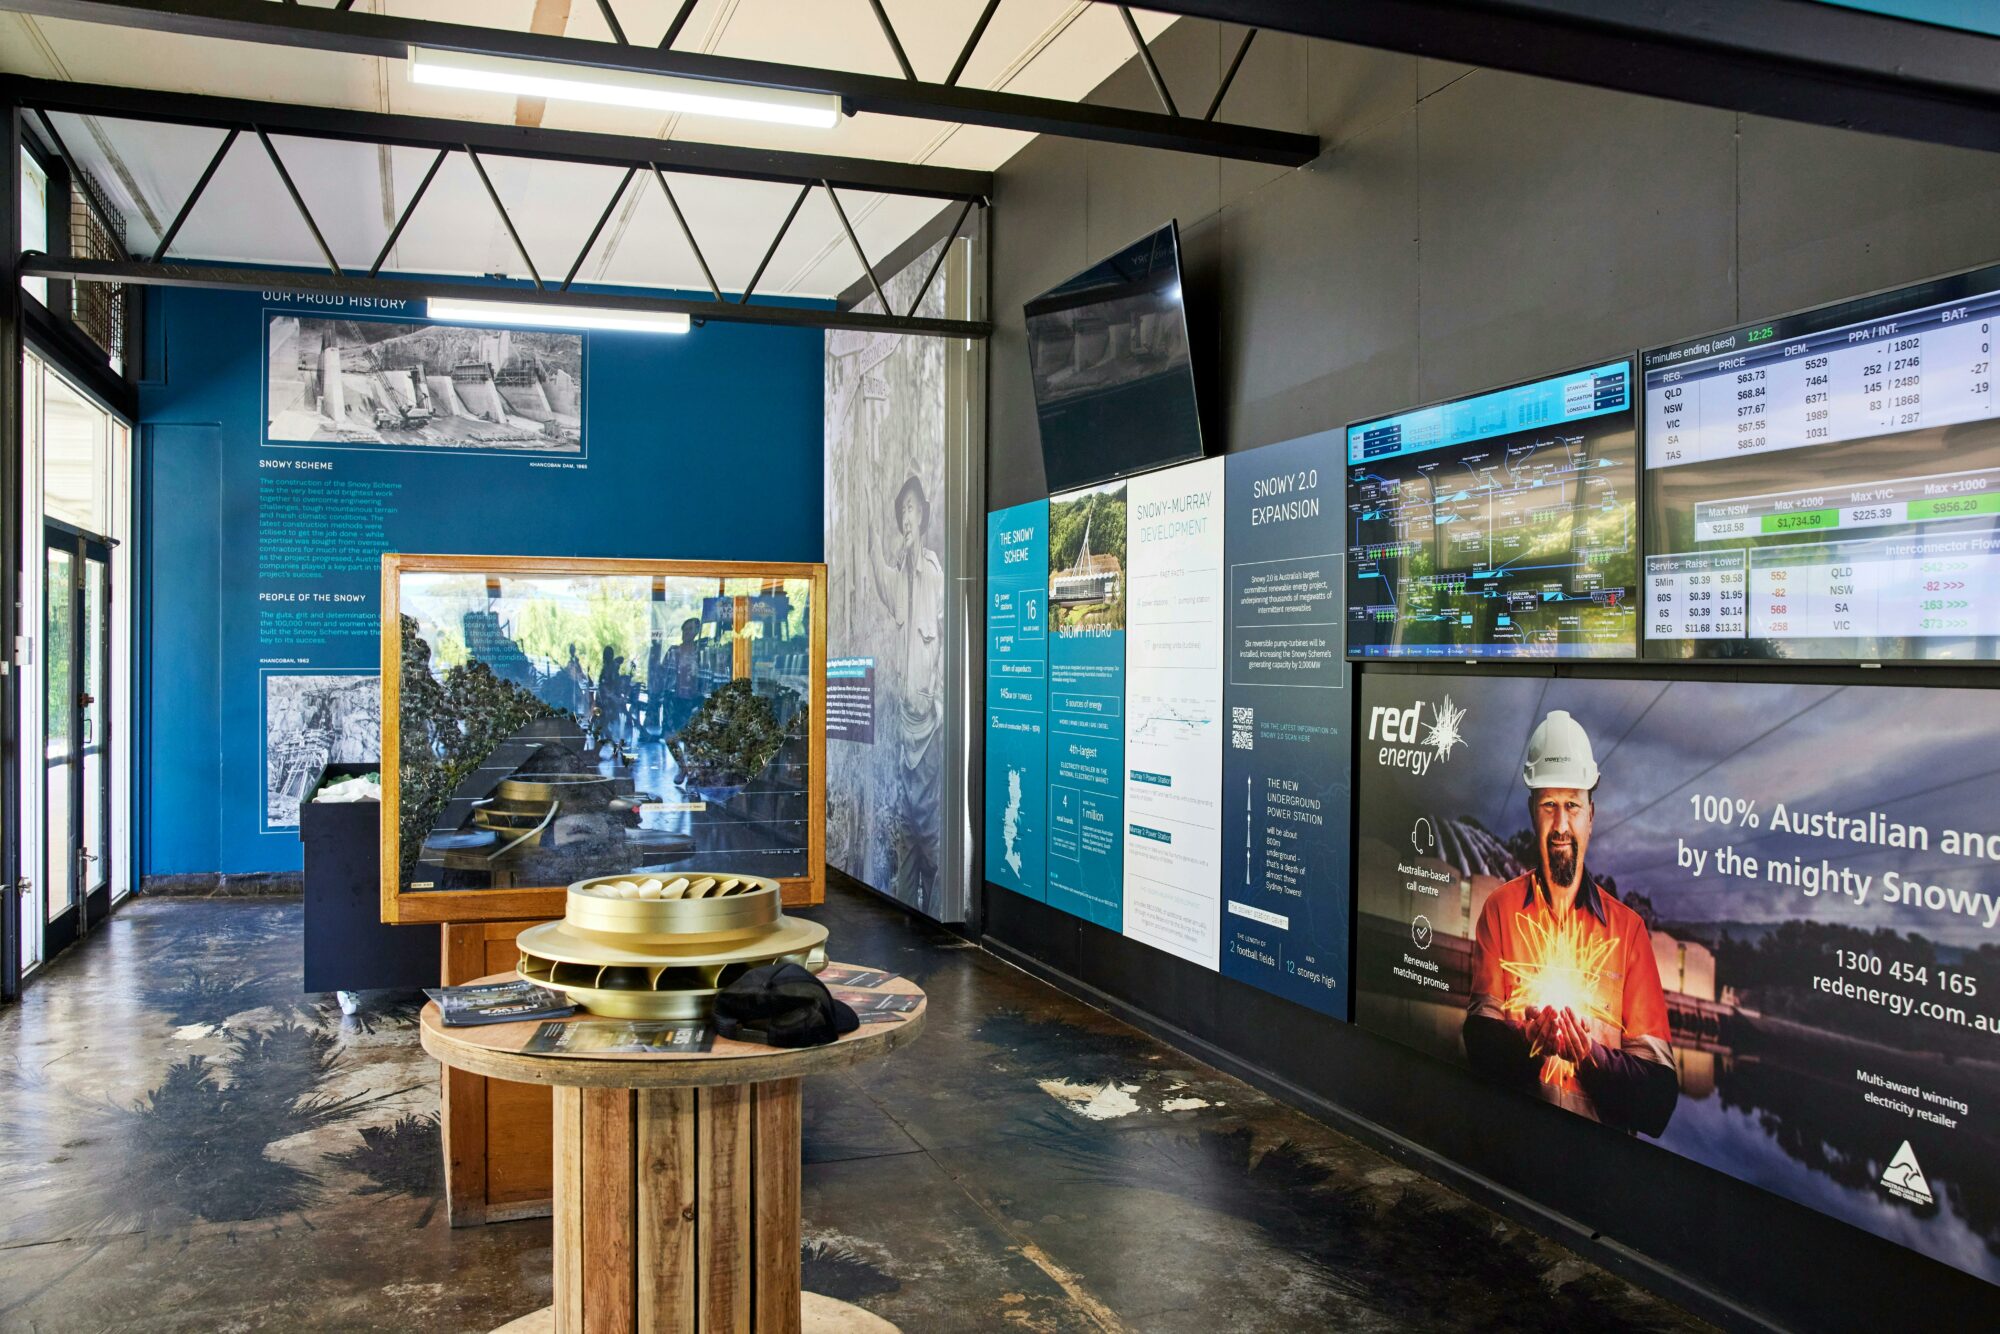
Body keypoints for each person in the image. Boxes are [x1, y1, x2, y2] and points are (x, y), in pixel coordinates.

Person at [1461, 710, 1678, 1136]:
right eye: (1549, 806)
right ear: (1532, 812)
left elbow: (1658, 1102)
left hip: (1599, 1172)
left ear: (1591, 816)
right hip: (1515, 1149)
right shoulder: (1500, 911)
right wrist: (1528, 1039)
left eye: (1573, 806)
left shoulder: (1628, 932)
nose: (1561, 825)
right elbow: (1479, 1046)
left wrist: (1591, 1057)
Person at [867, 474, 945, 913]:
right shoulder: (902, 578)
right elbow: (881, 576)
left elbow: (943, 649)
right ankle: (907, 919)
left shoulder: (932, 575)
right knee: (907, 837)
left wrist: (937, 707)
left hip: (928, 732)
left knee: (930, 835)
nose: (906, 517)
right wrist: (873, 536)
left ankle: (937, 920)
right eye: (902, 511)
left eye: (912, 509)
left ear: (925, 515)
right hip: (904, 731)